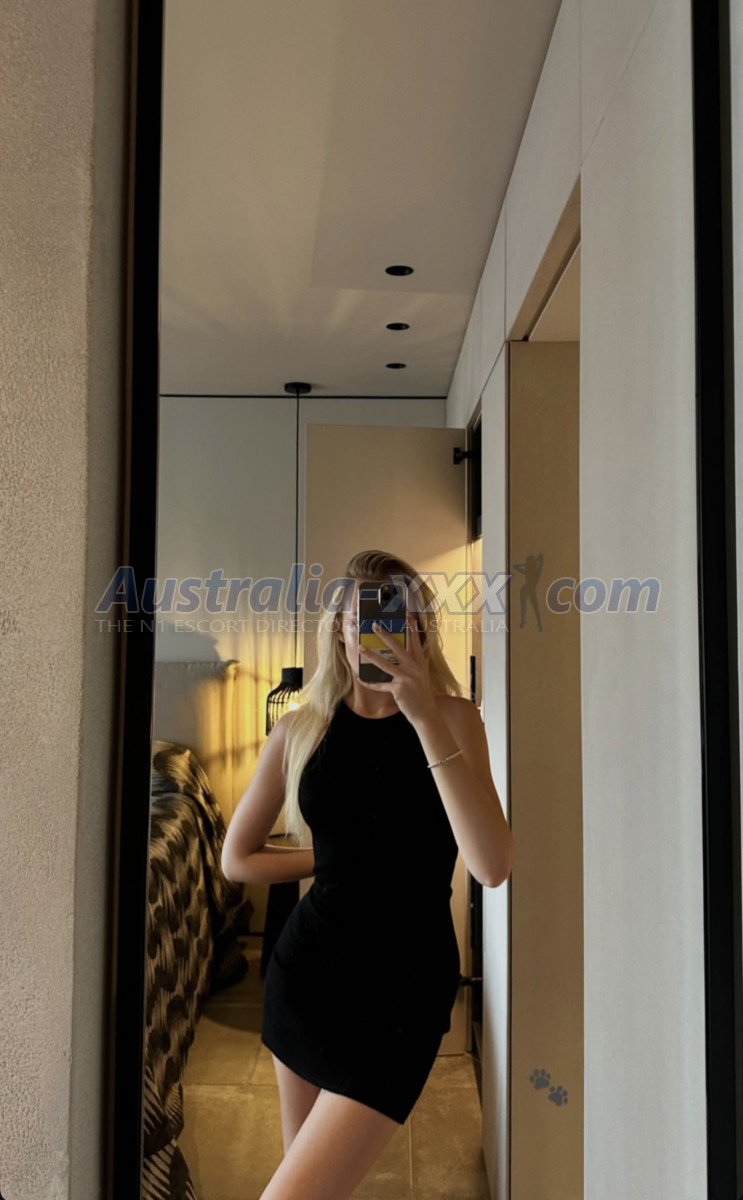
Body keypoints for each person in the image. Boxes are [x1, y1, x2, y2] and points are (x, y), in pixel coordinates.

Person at [221, 549, 512, 1200]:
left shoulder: (454, 719)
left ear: (421, 632)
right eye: (365, 620)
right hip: (305, 980)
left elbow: (492, 865)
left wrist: (422, 715)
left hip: (401, 997)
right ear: (340, 630)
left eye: (398, 621)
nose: (381, 635)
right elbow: (237, 858)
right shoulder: (300, 728)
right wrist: (335, 860)